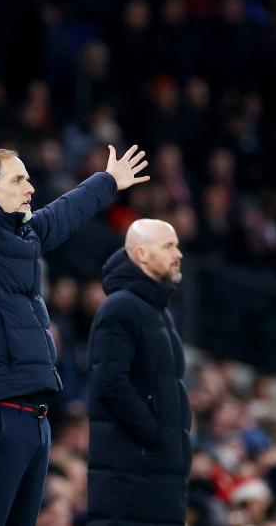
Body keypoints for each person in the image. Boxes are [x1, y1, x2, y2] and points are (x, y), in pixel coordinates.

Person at [0, 129, 150, 526]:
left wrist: (108, 181)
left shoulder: (25, 234)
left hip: (34, 417)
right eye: (18, 180)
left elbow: (66, 212)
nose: (30, 188)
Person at [86, 218, 191, 525]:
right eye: (168, 246)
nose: (178, 254)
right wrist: (153, 433)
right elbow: (109, 383)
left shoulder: (159, 312)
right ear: (142, 254)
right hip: (131, 476)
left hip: (155, 477)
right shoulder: (120, 308)